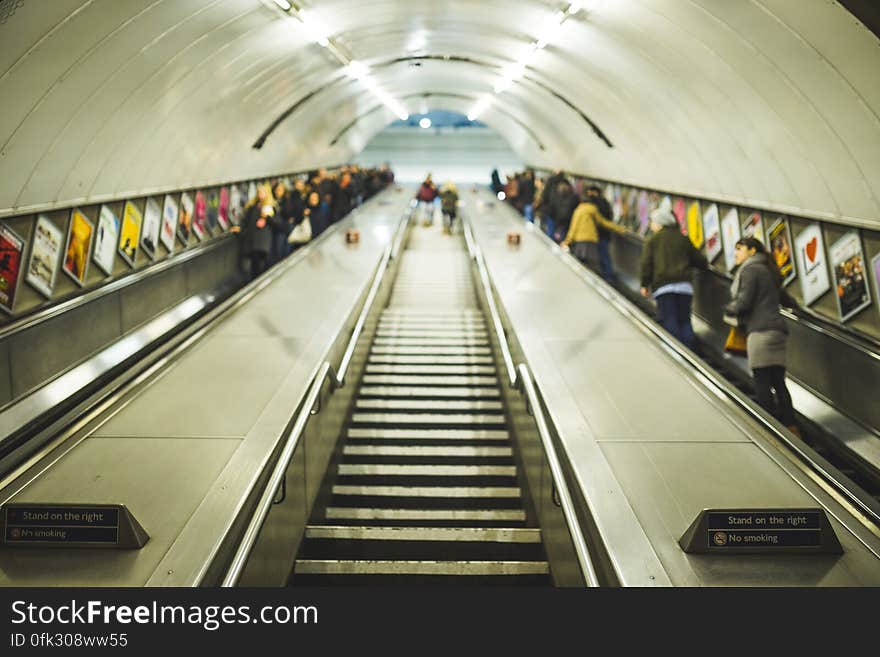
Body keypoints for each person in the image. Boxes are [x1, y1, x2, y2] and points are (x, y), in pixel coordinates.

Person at [723, 237, 799, 432]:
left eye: (740, 249)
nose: (736, 254)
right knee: (778, 382)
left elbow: (744, 302)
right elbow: (786, 299)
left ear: (752, 251)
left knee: (762, 381)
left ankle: (769, 428)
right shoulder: (769, 270)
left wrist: (729, 308)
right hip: (778, 332)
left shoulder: (750, 269)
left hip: (760, 331)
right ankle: (791, 427)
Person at [639, 206, 707, 350]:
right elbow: (700, 261)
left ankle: (677, 353)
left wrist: (644, 284)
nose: (651, 225)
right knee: (684, 321)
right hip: (684, 287)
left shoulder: (652, 240)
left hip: (664, 287)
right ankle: (690, 352)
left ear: (660, 222)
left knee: (669, 321)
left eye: (653, 222)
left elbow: (647, 264)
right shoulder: (682, 238)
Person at [561, 189, 628, 270]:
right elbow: (603, 222)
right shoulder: (593, 209)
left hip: (580, 242)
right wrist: (619, 229)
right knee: (592, 266)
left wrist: (567, 241)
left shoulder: (578, 210)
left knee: (580, 266)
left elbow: (573, 227)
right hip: (591, 241)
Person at [240, 184, 277, 280]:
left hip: (263, 240)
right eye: (259, 192)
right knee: (254, 262)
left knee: (260, 261)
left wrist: (266, 218)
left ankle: (259, 280)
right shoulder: (252, 206)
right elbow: (246, 221)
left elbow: (276, 222)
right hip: (252, 238)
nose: (260, 195)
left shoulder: (270, 207)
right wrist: (241, 229)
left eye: (262, 192)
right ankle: (254, 280)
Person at [586, 185, 617, 283]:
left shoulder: (595, 204)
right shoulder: (605, 202)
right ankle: (608, 275)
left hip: (599, 234)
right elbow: (610, 217)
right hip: (605, 233)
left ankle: (608, 276)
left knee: (603, 256)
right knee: (604, 255)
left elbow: (600, 221)